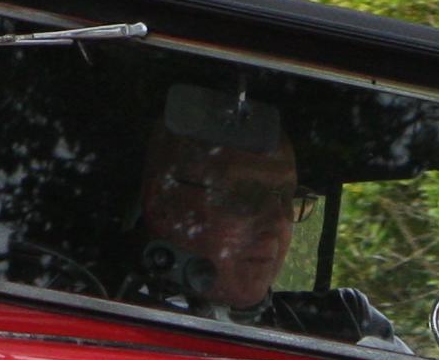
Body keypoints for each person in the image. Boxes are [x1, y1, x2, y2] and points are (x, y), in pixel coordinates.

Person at [121, 82, 391, 344]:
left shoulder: (347, 326)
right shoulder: (104, 318)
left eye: (288, 197)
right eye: (245, 196)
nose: (277, 222)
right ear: (162, 206)